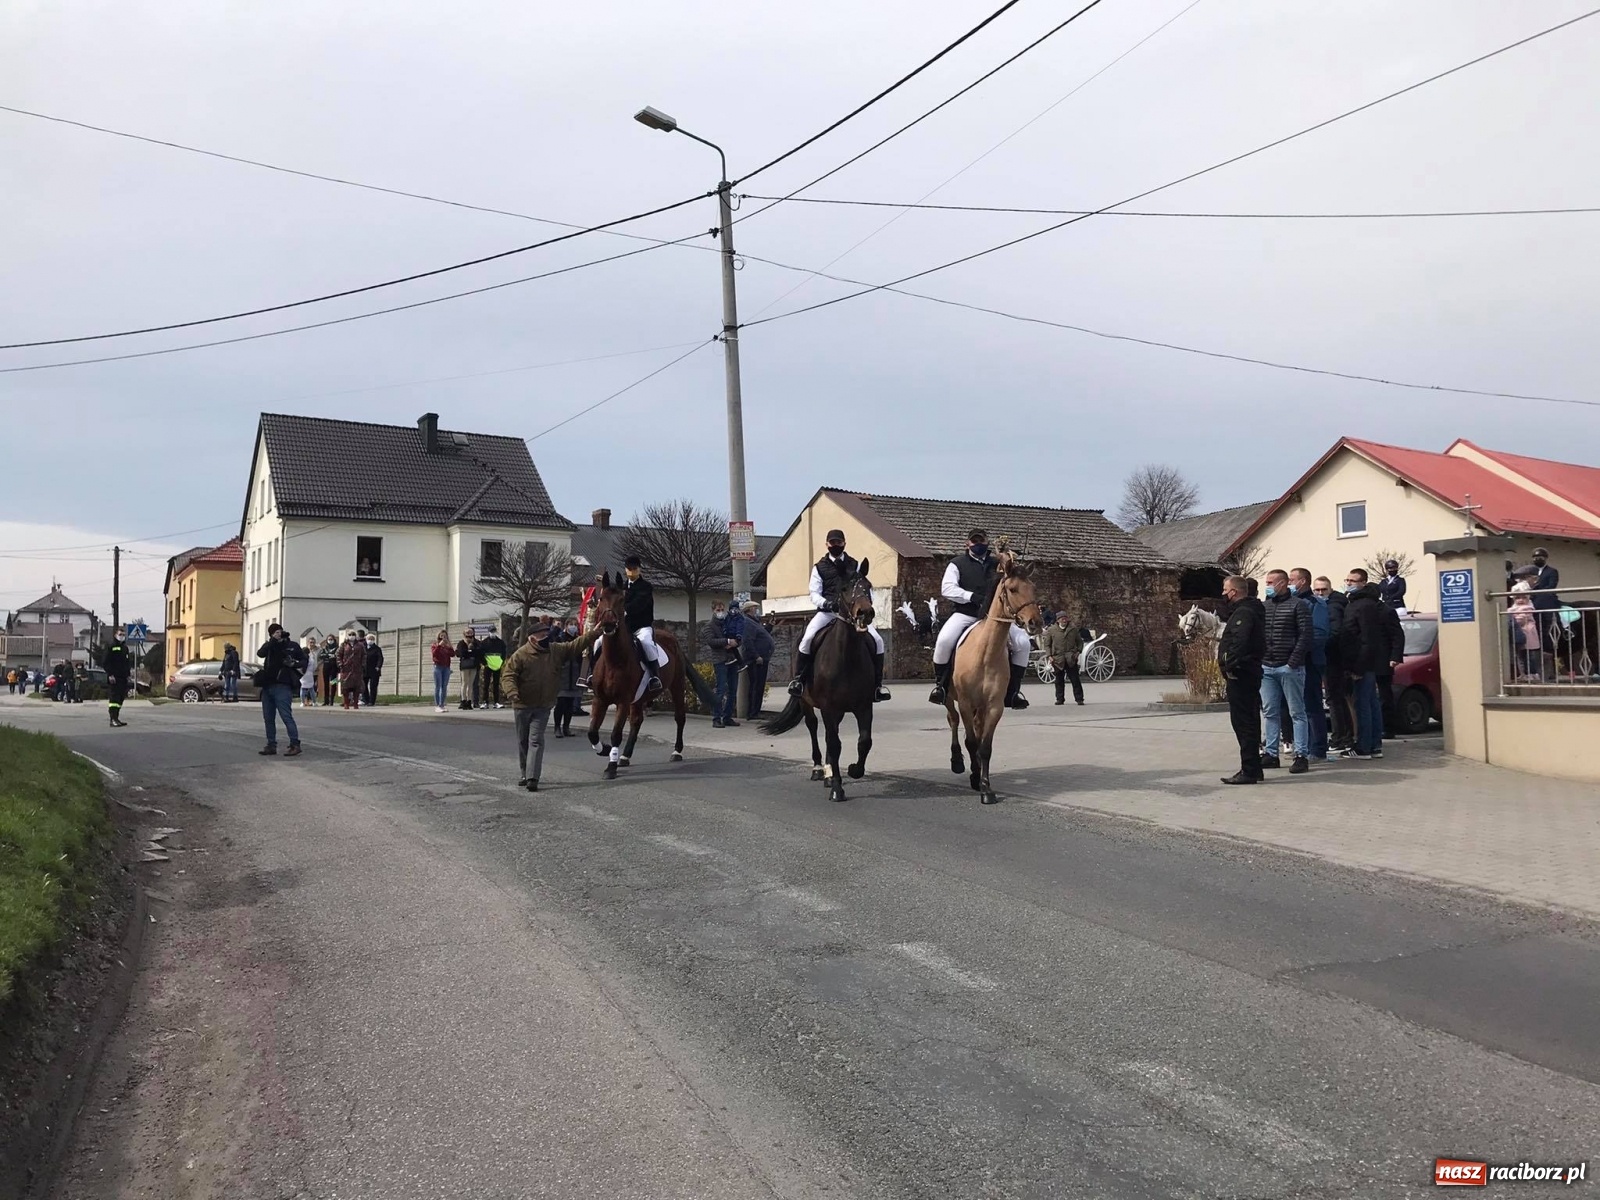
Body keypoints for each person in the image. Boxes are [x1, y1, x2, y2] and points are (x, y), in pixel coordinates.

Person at [928, 530, 1030, 709]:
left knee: (1023, 643)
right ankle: (941, 687)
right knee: (944, 640)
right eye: (974, 541)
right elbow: (947, 588)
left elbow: (1012, 580)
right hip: (966, 614)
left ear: (987, 542)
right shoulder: (957, 564)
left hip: (996, 617)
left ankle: (1013, 692)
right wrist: (970, 596)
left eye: (981, 540)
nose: (978, 544)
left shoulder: (997, 562)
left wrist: (1009, 560)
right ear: (967, 543)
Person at [787, 530, 890, 702]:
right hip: (827, 613)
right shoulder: (819, 567)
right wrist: (826, 603)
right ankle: (798, 681)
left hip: (852, 614)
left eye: (839, 542)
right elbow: (814, 593)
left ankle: (878, 686)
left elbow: (863, 588)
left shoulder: (855, 565)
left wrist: (864, 607)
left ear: (844, 544)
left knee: (878, 641)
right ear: (827, 544)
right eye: (832, 543)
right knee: (807, 639)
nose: (836, 545)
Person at [501, 620, 598, 791]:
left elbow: (575, 645)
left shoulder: (555, 650)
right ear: (532, 639)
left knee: (536, 740)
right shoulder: (520, 655)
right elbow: (508, 675)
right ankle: (525, 772)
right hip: (522, 705)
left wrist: (594, 633)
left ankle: (532, 777)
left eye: (547, 635)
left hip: (543, 706)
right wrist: (512, 692)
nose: (546, 638)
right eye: (542, 636)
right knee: (523, 741)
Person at [1259, 568, 1312, 773]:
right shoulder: (1265, 607)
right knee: (1270, 712)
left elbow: (1305, 635)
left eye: (1271, 583)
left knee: (1297, 712)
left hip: (1289, 666)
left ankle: (1301, 755)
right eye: (1266, 583)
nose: (1268, 586)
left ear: (1282, 583)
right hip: (1267, 667)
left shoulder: (1298, 605)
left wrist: (1293, 662)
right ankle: (1271, 754)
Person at [1218, 575, 1267, 785]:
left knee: (1244, 722)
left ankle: (1249, 770)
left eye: (1225, 589)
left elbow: (1239, 642)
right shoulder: (1248, 610)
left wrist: (1229, 666)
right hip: (1248, 671)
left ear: (1234, 592)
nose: (1222, 594)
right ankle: (1254, 768)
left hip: (1241, 673)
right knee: (1250, 721)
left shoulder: (1244, 612)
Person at [1339, 569, 1386, 760]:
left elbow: (1366, 638)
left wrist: (1358, 667)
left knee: (1363, 705)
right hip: (1364, 662)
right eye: (1347, 579)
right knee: (1370, 703)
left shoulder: (1363, 606)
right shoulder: (1360, 603)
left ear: (1363, 583)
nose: (1348, 583)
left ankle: (1364, 747)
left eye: (1353, 580)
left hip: (1362, 664)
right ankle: (1373, 745)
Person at [1291, 569, 1329, 761]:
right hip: (1293, 663)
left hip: (1311, 661)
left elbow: (1320, 633)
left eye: (1292, 580)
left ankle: (1318, 748)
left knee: (1312, 705)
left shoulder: (1316, 603)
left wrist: (1299, 648)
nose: (1289, 583)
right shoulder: (1291, 603)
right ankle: (1301, 747)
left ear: (1303, 581)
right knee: (1298, 707)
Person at [1314, 576, 1353, 752]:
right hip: (1332, 658)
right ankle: (1343, 737)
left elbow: (1335, 633)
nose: (1320, 593)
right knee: (1336, 699)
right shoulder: (1326, 606)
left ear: (1330, 590)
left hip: (1332, 659)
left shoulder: (1333, 607)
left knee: (1334, 699)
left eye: (1324, 590)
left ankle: (1340, 738)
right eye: (1317, 590)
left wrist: (1320, 644)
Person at [256, 623, 305, 756]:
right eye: (275, 632)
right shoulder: (270, 645)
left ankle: (295, 744)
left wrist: (293, 663)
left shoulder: (291, 645)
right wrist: (272, 642)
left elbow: (304, 660)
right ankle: (271, 744)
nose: (278, 634)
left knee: (286, 716)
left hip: (282, 685)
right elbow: (260, 653)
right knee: (268, 717)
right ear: (271, 634)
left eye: (279, 631)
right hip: (268, 686)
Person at [620, 557, 665, 692]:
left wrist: (623, 608)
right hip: (624, 627)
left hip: (641, 626)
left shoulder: (645, 587)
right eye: (630, 569)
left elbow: (639, 604)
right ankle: (592, 673)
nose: (632, 572)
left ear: (639, 569)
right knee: (600, 641)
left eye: (635, 569)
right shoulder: (621, 586)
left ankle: (654, 676)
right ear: (625, 570)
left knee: (646, 643)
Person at [706, 601, 743, 728]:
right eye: (718, 610)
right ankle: (716, 718)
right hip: (720, 660)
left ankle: (727, 717)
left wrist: (736, 642)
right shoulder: (709, 626)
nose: (721, 612)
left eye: (722, 609)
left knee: (732, 690)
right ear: (713, 611)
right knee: (720, 689)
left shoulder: (729, 621)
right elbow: (711, 641)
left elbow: (738, 636)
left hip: (732, 659)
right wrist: (726, 641)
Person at [1040, 610, 1085, 706]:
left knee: (1075, 679)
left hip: (1070, 658)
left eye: (1065, 618)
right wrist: (1049, 656)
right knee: (1059, 680)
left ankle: (1079, 699)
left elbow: (1080, 642)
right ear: (1058, 620)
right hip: (1057, 658)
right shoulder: (1052, 630)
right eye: (1061, 618)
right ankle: (1059, 699)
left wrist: (1078, 652)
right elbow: (1047, 644)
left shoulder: (1073, 629)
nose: (1064, 620)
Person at [1376, 598, 1405, 737]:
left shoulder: (1387, 612)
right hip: (1370, 660)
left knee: (1384, 695)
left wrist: (1395, 657)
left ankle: (1388, 728)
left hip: (1384, 660)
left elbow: (1397, 635)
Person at [1529, 547, 1562, 663]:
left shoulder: (1552, 571)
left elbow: (1551, 586)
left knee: (1553, 617)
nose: (1537, 559)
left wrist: (1537, 589)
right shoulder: (1530, 573)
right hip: (1532, 600)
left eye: (1540, 557)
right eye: (1535, 557)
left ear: (1545, 558)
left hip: (1547, 598)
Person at [740, 603, 774, 718]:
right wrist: (756, 656)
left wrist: (769, 626)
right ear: (749, 609)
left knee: (759, 685)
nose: (757, 610)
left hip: (762, 658)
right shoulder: (747, 622)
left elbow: (762, 635)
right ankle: (753, 712)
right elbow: (748, 641)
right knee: (756, 685)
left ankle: (755, 711)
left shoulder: (755, 622)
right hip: (756, 660)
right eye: (755, 608)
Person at [553, 618, 585, 737]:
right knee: (561, 703)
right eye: (571, 624)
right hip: (563, 676)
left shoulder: (578, 639)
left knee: (570, 705)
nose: (574, 627)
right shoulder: (560, 638)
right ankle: (557, 727)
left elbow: (581, 658)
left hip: (574, 674)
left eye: (575, 625)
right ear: (566, 626)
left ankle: (566, 727)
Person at [1509, 570, 1543, 680]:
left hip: (1528, 634)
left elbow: (1522, 619)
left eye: (1523, 597)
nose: (1520, 600)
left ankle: (1532, 674)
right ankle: (1524, 673)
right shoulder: (1512, 608)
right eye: (1518, 598)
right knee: (1521, 656)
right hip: (1519, 635)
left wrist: (1511, 618)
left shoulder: (1528, 607)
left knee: (1529, 656)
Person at [104, 628, 132, 728]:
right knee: (114, 699)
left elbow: (127, 663)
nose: (122, 636)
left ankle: (116, 718)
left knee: (120, 698)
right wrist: (110, 674)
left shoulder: (125, 648)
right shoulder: (111, 646)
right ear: (115, 635)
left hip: (123, 677)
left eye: (123, 634)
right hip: (114, 677)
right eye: (120, 634)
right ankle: (112, 719)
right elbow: (106, 662)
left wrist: (128, 675)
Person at [480, 628, 507, 709]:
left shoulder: (500, 642)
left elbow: (504, 653)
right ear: (489, 632)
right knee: (486, 684)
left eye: (494, 632)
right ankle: (485, 702)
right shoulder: (484, 642)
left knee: (496, 684)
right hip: (488, 666)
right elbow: (481, 653)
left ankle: (496, 702)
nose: (493, 633)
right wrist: (485, 663)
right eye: (491, 632)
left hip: (497, 666)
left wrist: (501, 663)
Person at [456, 628, 483, 709]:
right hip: (464, 666)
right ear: (464, 633)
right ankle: (463, 700)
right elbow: (461, 653)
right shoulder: (461, 643)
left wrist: (471, 651)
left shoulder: (476, 642)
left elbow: (479, 652)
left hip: (474, 665)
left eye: (470, 632)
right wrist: (470, 651)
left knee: (471, 684)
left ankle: (469, 701)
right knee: (464, 683)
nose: (469, 633)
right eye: (467, 632)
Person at [338, 633, 365, 710]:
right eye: (350, 635)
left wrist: (362, 665)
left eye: (353, 634)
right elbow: (338, 655)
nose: (351, 636)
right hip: (346, 669)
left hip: (357, 669)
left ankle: (355, 703)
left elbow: (364, 655)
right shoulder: (343, 645)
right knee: (345, 687)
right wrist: (341, 664)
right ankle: (346, 703)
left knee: (357, 687)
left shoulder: (360, 645)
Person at [431, 630, 453, 712]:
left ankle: (442, 704)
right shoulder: (435, 645)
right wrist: (439, 645)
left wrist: (449, 645)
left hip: (446, 667)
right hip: (438, 667)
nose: (443, 638)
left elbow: (453, 654)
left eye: (445, 636)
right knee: (438, 686)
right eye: (442, 636)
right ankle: (437, 705)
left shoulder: (447, 646)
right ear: (439, 637)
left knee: (444, 687)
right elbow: (434, 654)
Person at [363, 633, 384, 707]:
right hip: (364, 670)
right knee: (363, 686)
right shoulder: (363, 648)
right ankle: (366, 700)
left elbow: (380, 658)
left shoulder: (377, 649)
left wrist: (378, 666)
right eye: (369, 639)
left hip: (374, 670)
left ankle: (372, 701)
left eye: (372, 639)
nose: (370, 641)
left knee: (373, 686)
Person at [319, 634, 340, 707]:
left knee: (333, 683)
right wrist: (328, 655)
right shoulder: (324, 648)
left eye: (331, 639)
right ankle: (326, 700)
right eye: (329, 639)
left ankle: (332, 700)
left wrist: (333, 656)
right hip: (326, 666)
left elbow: (338, 655)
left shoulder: (337, 648)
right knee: (326, 683)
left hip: (334, 667)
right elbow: (321, 656)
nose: (330, 641)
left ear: (334, 640)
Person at [299, 640, 319, 707]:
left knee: (303, 688)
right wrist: (312, 671)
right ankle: (314, 702)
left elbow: (299, 667)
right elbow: (314, 666)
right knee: (311, 689)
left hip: (303, 675)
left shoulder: (301, 659)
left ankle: (302, 702)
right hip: (310, 675)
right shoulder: (311, 659)